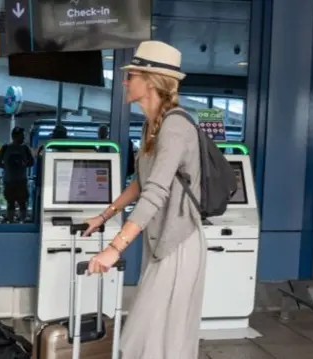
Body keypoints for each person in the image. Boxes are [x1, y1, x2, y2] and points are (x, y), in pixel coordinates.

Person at [81, 41, 206, 358]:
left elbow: (156, 192)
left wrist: (114, 249)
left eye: (131, 75)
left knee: (157, 336)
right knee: (151, 336)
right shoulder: (152, 125)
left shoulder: (175, 127)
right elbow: (141, 183)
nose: (124, 81)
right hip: (159, 241)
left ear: (150, 80)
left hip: (179, 243)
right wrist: (105, 216)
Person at [0, 127, 34, 222]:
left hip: (18, 180)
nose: (23, 138)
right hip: (11, 181)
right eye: (21, 136)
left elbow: (32, 162)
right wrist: (8, 167)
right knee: (11, 203)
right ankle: (12, 221)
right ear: (14, 137)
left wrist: (23, 165)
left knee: (21, 203)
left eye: (23, 136)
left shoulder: (25, 148)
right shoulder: (6, 148)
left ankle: (22, 221)